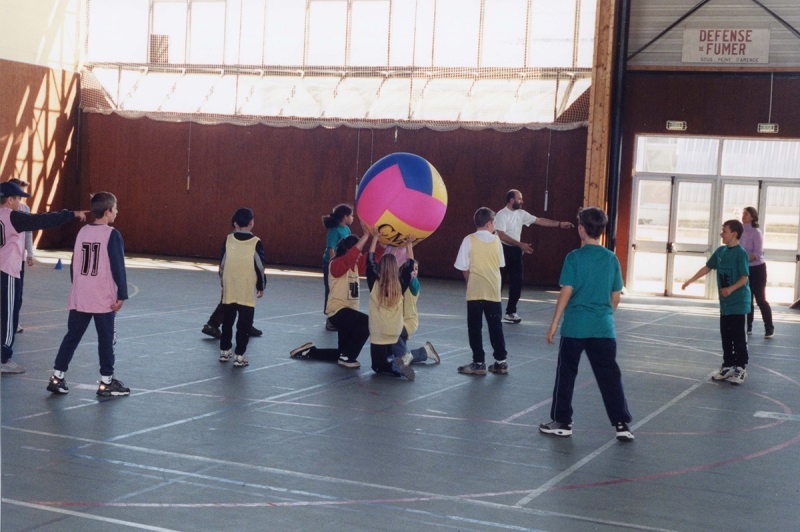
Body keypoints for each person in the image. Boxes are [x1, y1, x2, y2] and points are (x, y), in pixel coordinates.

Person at [539, 207, 634, 442]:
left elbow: (566, 292)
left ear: (581, 229)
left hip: (575, 328)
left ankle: (562, 421)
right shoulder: (611, 259)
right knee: (609, 376)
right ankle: (621, 424)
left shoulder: (574, 258)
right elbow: (615, 297)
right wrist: (604, 317)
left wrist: (553, 324)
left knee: (567, 373)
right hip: (603, 329)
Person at [46, 192, 129, 396]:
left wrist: (77, 287)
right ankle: (107, 382)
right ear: (108, 212)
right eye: (116, 208)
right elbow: (118, 267)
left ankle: (57, 376)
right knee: (106, 339)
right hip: (102, 299)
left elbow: (75, 264)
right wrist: (122, 295)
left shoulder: (83, 232)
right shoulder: (112, 234)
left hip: (81, 296)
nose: (117, 212)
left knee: (72, 337)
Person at [1, 181, 86, 374]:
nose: (20, 202)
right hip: (6, 272)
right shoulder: (14, 216)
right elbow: (43, 220)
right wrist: (70, 214)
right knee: (8, 315)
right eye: (18, 198)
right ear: (10, 200)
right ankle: (3, 358)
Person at [289, 226, 381, 369]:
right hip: (338, 312)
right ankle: (346, 358)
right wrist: (366, 236)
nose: (359, 255)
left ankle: (311, 352)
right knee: (367, 323)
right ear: (348, 250)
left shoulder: (356, 266)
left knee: (341, 352)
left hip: (349, 314)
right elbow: (350, 257)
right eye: (357, 251)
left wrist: (381, 241)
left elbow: (372, 257)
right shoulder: (336, 264)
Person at [682, 219, 751, 385]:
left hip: (738, 302)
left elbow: (744, 277)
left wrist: (731, 289)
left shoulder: (741, 253)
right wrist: (691, 280)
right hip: (725, 304)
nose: (721, 234)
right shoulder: (720, 251)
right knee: (726, 335)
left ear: (734, 234)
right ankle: (728, 365)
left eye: (724, 231)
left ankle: (740, 368)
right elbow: (708, 267)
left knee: (738, 336)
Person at [494, 189, 573, 324]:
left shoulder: (521, 213)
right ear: (512, 200)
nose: (522, 201)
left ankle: (510, 312)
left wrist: (559, 224)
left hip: (516, 251)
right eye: (519, 199)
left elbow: (539, 220)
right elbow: (501, 235)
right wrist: (520, 244)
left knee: (517, 282)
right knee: (498, 282)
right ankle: (494, 312)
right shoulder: (502, 215)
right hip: (502, 250)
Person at [454, 207, 508, 376]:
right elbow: (500, 264)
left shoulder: (468, 240)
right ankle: (501, 362)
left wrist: (471, 281)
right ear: (489, 223)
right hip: (493, 290)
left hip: (475, 291)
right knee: (495, 326)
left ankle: (479, 363)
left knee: (475, 327)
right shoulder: (497, 241)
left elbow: (463, 266)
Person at [217, 208, 266, 368]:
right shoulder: (255, 242)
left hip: (230, 287)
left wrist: (223, 285)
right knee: (244, 325)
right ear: (251, 223)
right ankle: (239, 355)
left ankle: (224, 351)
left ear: (236, 223)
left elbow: (222, 265)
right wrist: (261, 285)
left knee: (227, 321)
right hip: (245, 290)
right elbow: (259, 266)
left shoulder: (228, 240)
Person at [365, 232, 417, 380]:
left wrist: (375, 238)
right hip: (395, 330)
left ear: (380, 268)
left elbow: (370, 261)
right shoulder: (400, 285)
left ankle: (393, 366)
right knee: (387, 350)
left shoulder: (374, 283)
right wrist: (409, 245)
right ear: (396, 268)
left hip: (378, 331)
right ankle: (393, 359)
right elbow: (409, 266)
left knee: (377, 367)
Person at [391, 259, 440, 366]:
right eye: (412, 268)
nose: (414, 271)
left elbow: (410, 270)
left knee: (391, 331)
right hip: (398, 321)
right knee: (400, 357)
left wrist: (409, 246)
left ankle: (407, 355)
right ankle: (425, 351)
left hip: (408, 322)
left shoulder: (415, 285)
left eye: (416, 269)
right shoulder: (399, 283)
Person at [741, 207, 774, 338]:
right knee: (747, 299)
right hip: (745, 268)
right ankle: (748, 326)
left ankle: (769, 327)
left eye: (746, 214)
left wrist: (742, 259)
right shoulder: (740, 231)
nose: (743, 216)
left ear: (753, 217)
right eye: (743, 214)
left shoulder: (756, 232)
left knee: (760, 299)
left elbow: (758, 254)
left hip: (757, 269)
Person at [7, 179, 35, 334]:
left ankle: (14, 321)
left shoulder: (25, 209)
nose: (21, 199)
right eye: (19, 194)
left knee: (18, 292)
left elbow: (28, 232)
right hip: (5, 259)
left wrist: (29, 252)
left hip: (19, 259)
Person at [322, 204, 354, 331]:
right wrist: (333, 265)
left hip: (343, 265)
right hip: (331, 264)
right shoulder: (334, 231)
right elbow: (331, 249)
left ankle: (340, 316)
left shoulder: (346, 230)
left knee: (341, 291)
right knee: (331, 290)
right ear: (345, 217)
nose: (353, 218)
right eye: (351, 215)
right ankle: (330, 318)